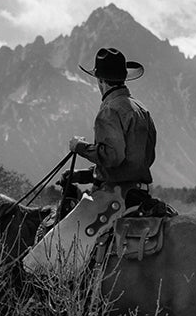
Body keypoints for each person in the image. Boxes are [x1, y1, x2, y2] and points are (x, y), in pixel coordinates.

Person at [62, 47, 156, 204]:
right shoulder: (142, 109)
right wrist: (84, 175)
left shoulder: (109, 111)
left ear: (100, 80)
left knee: (60, 228)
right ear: (123, 78)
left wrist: (79, 146)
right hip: (140, 193)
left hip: (113, 197)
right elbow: (132, 163)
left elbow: (112, 157)